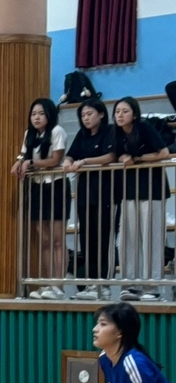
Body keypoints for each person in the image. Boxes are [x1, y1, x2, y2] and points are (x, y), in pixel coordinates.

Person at [112, 97, 168, 301]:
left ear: (134, 114)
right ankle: (131, 284)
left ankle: (152, 286)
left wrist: (138, 159)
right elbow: (116, 155)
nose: (120, 115)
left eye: (125, 111)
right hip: (129, 191)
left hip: (152, 189)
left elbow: (164, 153)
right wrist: (123, 157)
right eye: (117, 111)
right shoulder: (116, 132)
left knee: (151, 237)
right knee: (127, 238)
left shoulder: (144, 128)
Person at [11, 99, 68, 299]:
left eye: (41, 114)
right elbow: (23, 155)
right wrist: (18, 163)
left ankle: (59, 285)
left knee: (57, 239)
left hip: (56, 185)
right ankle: (48, 283)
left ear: (49, 115)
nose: (36, 117)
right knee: (44, 239)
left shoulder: (57, 131)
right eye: (33, 114)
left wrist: (31, 163)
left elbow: (55, 160)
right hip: (37, 187)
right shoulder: (30, 134)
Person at [65, 98, 116, 301]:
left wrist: (84, 161)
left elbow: (110, 157)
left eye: (89, 114)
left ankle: (103, 283)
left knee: (103, 239)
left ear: (101, 114)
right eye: (83, 115)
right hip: (85, 194)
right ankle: (90, 282)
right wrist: (68, 161)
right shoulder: (82, 135)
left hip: (105, 192)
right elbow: (71, 155)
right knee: (87, 239)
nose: (86, 118)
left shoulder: (109, 131)